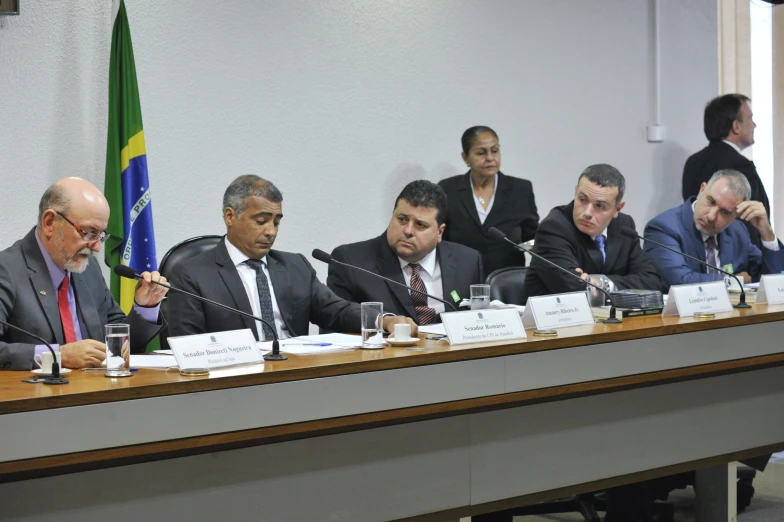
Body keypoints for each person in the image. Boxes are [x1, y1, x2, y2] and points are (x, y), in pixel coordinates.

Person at [167, 175, 417, 340]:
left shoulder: (294, 266)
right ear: (230, 216)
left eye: (276, 222)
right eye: (261, 221)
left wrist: (384, 320)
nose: (271, 232)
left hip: (296, 375)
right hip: (232, 383)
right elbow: (187, 345)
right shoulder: (192, 274)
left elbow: (334, 311)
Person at [0, 177, 167, 370]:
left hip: (97, 392)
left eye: (101, 235)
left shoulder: (87, 267)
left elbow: (119, 343)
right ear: (50, 222)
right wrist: (58, 356)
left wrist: (145, 307)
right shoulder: (7, 270)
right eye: (88, 232)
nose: (96, 247)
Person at [327, 180, 483, 323]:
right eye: (402, 219)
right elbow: (336, 325)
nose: (408, 231)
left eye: (420, 225)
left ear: (440, 232)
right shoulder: (351, 262)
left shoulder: (467, 261)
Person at [521, 164, 664, 302]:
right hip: (556, 321)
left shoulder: (624, 226)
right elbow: (574, 289)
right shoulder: (553, 228)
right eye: (582, 199)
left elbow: (652, 282)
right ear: (576, 191)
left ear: (617, 209)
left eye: (600, 206)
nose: (587, 213)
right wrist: (618, 285)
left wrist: (604, 283)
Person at [645, 169, 784, 287]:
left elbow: (773, 282)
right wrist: (736, 281)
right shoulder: (664, 227)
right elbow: (680, 281)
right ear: (702, 190)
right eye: (711, 202)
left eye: (725, 212)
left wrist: (767, 233)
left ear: (736, 215)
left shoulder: (737, 231)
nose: (711, 216)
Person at [438, 126, 538, 276]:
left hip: (506, 279)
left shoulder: (520, 189)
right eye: (481, 153)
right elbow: (439, 238)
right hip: (460, 276)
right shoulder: (448, 189)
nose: (490, 158)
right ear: (465, 157)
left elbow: (533, 238)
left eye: (495, 151)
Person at [682, 94, 770, 247]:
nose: (754, 125)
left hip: (696, 249)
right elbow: (752, 223)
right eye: (750, 118)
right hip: (737, 257)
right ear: (736, 126)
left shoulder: (693, 162)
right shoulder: (741, 166)